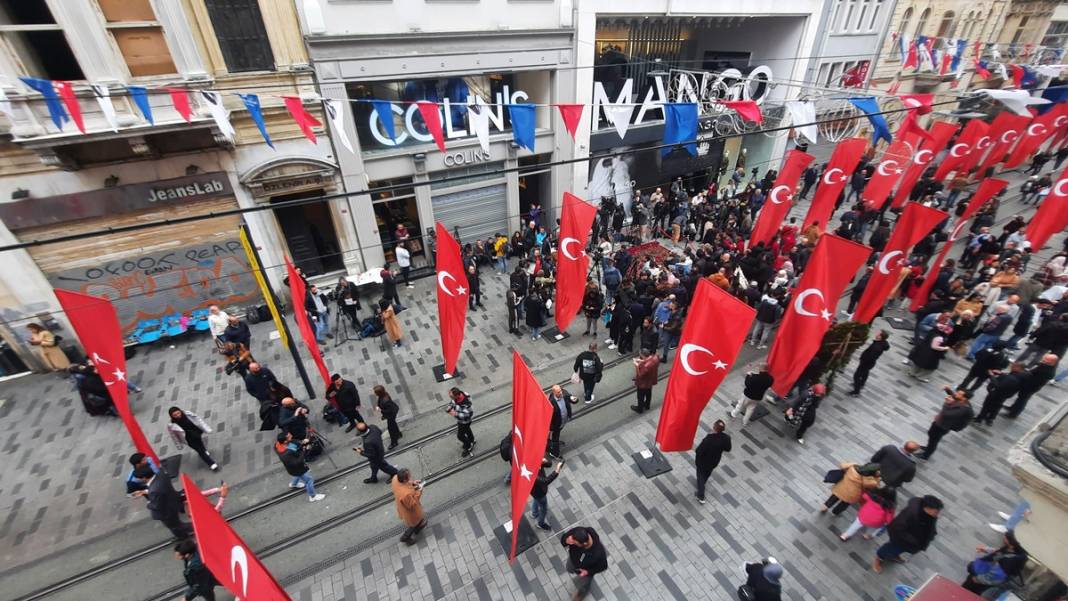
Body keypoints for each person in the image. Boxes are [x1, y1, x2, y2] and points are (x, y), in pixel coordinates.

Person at [872, 495, 942, 573]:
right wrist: (914, 540)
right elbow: (896, 528)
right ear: (928, 508)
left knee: (900, 550)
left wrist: (932, 533)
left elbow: (931, 525)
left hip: (913, 542)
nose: (937, 514)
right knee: (889, 549)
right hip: (901, 540)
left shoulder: (931, 515)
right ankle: (878, 558)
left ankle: (895, 555)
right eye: (936, 512)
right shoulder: (910, 514)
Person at [962, 531, 1028, 595]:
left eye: (1005, 538)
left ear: (1011, 543)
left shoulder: (1010, 561)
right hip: (984, 573)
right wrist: (986, 549)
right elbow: (1001, 552)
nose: (1003, 538)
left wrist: (978, 579)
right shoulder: (1013, 549)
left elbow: (996, 575)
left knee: (969, 591)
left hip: (984, 579)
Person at [917, 388, 974, 460]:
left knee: (934, 440)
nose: (956, 394)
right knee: (931, 434)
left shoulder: (963, 409)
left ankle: (926, 455)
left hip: (942, 426)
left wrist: (947, 403)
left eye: (959, 394)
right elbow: (954, 395)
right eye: (958, 392)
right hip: (939, 422)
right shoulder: (962, 400)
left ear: (964, 398)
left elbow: (946, 414)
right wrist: (948, 390)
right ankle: (928, 448)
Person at [134, 467, 193, 538]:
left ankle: (196, 528)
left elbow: (156, 506)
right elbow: (161, 490)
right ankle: (182, 535)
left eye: (138, 478)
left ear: (144, 478)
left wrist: (148, 504)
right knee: (176, 525)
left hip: (167, 512)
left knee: (176, 526)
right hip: (173, 502)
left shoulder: (154, 491)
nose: (137, 480)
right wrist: (146, 492)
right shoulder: (161, 474)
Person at [560, 526, 609, 601]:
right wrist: (566, 540)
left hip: (586, 570)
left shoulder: (598, 553)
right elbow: (563, 540)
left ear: (585, 543)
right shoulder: (578, 532)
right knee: (569, 568)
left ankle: (581, 594)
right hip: (574, 561)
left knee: (584, 585)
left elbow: (603, 566)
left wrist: (588, 572)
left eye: (575, 544)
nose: (572, 543)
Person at [1003, 353, 1058, 418]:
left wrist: (1026, 374)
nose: (1043, 359)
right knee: (1020, 398)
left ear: (1052, 362)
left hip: (1031, 386)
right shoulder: (1046, 365)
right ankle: (1013, 408)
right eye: (1044, 358)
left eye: (1046, 359)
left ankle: (1013, 414)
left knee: (1022, 399)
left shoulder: (1048, 371)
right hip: (1028, 383)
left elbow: (1034, 377)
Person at [274, 432, 325, 501]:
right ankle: (313, 496)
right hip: (298, 468)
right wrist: (304, 450)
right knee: (309, 480)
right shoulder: (286, 455)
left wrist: (301, 443)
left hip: (292, 469)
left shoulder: (278, 445)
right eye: (289, 436)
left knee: (297, 475)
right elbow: (298, 462)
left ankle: (294, 484)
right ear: (285, 441)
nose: (291, 436)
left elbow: (294, 447)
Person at [694, 420, 731, 504]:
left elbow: (699, 451)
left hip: (703, 462)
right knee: (707, 473)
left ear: (714, 428)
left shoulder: (708, 439)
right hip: (714, 462)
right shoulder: (726, 438)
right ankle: (703, 483)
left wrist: (697, 459)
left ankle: (701, 495)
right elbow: (728, 449)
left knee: (700, 476)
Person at [391, 468, 427, 545]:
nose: (411, 477)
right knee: (413, 523)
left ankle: (418, 527)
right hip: (410, 512)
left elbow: (405, 484)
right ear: (404, 480)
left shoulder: (395, 478)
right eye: (409, 477)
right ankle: (406, 537)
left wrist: (413, 483)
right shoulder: (405, 494)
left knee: (417, 521)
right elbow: (412, 504)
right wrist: (419, 491)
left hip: (402, 505)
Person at [849, 330, 890, 396]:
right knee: (865, 373)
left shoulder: (876, 347)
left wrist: (863, 360)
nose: (876, 334)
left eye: (878, 334)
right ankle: (861, 384)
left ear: (880, 337)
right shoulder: (882, 343)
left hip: (866, 363)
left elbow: (871, 357)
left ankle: (856, 391)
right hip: (869, 364)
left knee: (856, 376)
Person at [531, 459, 564, 530]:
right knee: (543, 509)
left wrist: (546, 461)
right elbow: (545, 481)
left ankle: (534, 513)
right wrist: (557, 471)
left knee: (536, 500)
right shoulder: (532, 473)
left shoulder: (534, 462)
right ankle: (541, 523)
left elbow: (549, 465)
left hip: (535, 492)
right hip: (539, 493)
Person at [548, 385, 578, 456]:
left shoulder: (564, 393)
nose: (561, 393)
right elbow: (549, 416)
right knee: (555, 437)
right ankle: (555, 453)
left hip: (563, 421)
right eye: (558, 392)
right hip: (556, 425)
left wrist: (574, 399)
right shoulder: (551, 402)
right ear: (554, 392)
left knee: (558, 432)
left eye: (561, 390)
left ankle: (552, 443)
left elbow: (570, 398)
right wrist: (552, 427)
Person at [447, 387, 476, 457]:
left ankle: (468, 446)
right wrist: (450, 407)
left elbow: (467, 415)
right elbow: (452, 402)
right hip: (463, 421)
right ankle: (471, 440)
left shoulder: (466, 404)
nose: (451, 398)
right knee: (467, 430)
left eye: (452, 396)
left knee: (460, 436)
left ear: (457, 395)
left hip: (465, 421)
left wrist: (454, 413)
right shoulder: (460, 395)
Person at [372, 384, 402, 449]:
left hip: (391, 414)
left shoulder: (386, 401)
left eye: (375, 392)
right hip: (391, 413)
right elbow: (380, 401)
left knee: (391, 428)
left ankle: (394, 442)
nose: (374, 393)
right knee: (393, 424)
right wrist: (378, 406)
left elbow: (389, 410)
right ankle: (398, 434)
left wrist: (380, 410)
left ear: (379, 393)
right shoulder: (384, 395)